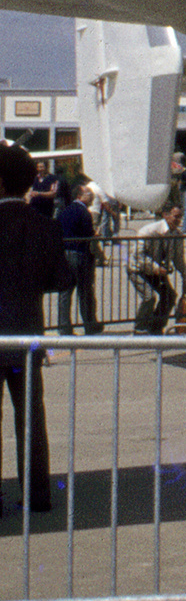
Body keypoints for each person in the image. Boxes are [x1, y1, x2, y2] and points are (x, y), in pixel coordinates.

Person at [0, 142, 71, 512]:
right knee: (31, 421)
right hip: (27, 337)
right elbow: (62, 280)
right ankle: (37, 494)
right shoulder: (46, 227)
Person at [130, 202, 185, 336]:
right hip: (138, 269)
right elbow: (138, 254)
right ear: (165, 215)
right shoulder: (149, 231)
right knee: (149, 297)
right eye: (176, 216)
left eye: (180, 217)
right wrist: (155, 267)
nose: (178, 220)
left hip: (157, 270)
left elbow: (179, 259)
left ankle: (156, 325)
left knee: (170, 296)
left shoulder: (177, 234)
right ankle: (140, 327)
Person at [57, 185, 101, 336]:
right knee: (85, 292)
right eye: (89, 194)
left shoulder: (64, 211)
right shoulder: (84, 213)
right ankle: (90, 325)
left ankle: (64, 327)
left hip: (64, 254)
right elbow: (87, 235)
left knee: (65, 292)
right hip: (80, 255)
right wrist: (95, 236)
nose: (92, 197)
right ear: (80, 196)